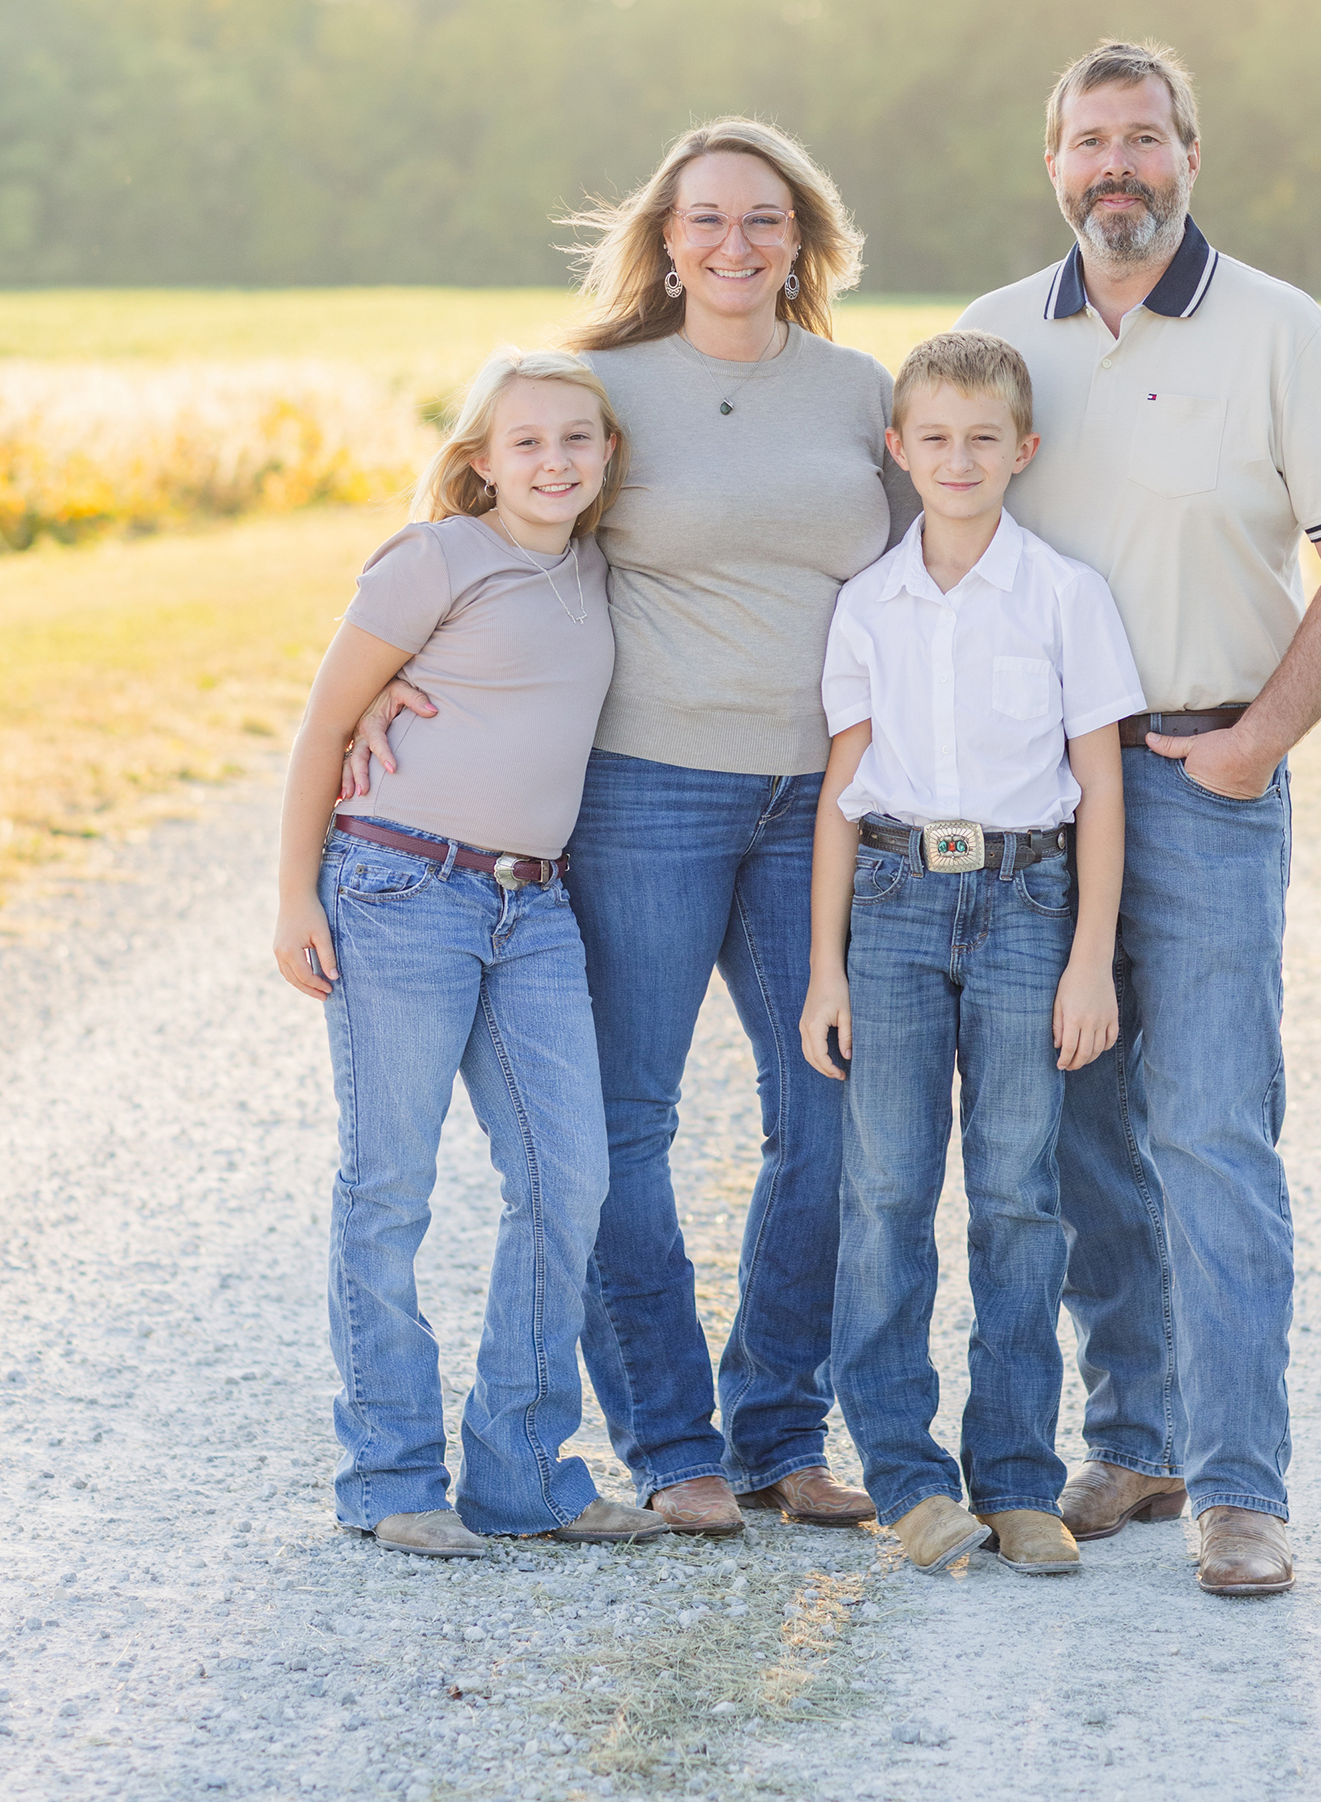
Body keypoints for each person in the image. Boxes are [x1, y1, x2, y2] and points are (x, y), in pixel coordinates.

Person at [346, 119, 915, 1536]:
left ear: (804, 240)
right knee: (626, 1126)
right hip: (643, 792)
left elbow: (931, 573)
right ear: (664, 240)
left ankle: (784, 1431)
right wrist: (395, 690)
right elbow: (490, 530)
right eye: (706, 219)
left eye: (766, 220)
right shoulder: (604, 386)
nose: (736, 243)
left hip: (818, 806)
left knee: (826, 1116)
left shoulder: (857, 389)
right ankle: (674, 1443)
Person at [958, 40, 1321, 1596]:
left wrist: (1258, 742)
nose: (1116, 167)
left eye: (1142, 139)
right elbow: (918, 563)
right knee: (1082, 1133)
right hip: (1035, 805)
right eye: (1089, 141)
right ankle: (1135, 1438)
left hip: (1204, 779)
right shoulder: (992, 338)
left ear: (1190, 156)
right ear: (1053, 164)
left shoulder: (1280, 331)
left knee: (1212, 1132)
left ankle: (1241, 1489)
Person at [273, 349, 669, 1556]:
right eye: (527, 442)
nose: (554, 461)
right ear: (481, 461)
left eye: (577, 439)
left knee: (569, 1178)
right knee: (389, 1184)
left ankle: (522, 1475)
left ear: (607, 456)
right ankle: (390, 1478)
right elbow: (326, 724)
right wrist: (295, 891)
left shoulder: (602, 568)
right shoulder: (434, 556)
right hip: (400, 889)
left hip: (534, 911)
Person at [800, 331, 1143, 1578]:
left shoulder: (1063, 596)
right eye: (932, 439)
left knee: (1016, 1193)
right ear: (898, 450)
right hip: (890, 903)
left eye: (981, 439)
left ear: (1022, 451)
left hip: (1026, 904)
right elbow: (844, 787)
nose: (956, 460)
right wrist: (825, 965)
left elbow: (1098, 788)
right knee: (886, 1190)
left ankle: (1015, 1477)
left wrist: (1089, 957)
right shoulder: (867, 605)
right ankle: (904, 1474)